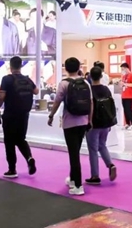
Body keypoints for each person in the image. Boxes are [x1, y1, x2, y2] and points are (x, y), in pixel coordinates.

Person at [47, 57, 93, 196]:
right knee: (75, 151)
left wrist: (51, 115)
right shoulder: (86, 82)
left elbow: (57, 102)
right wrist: (90, 120)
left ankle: (78, 185)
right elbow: (91, 103)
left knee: (73, 155)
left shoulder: (64, 83)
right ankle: (73, 179)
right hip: (83, 121)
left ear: (66, 69)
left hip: (69, 123)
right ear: (79, 68)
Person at [0, 56, 39, 178]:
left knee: (9, 141)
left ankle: (12, 169)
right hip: (24, 114)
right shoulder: (27, 79)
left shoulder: (6, 79)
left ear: (10, 66)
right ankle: (29, 158)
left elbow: (2, 96)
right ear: (21, 66)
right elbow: (36, 91)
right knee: (20, 139)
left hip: (10, 114)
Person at [85, 66, 117, 185]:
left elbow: (89, 107)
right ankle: (110, 164)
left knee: (93, 149)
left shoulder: (89, 90)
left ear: (90, 76)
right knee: (102, 145)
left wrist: (88, 121)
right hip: (106, 122)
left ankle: (95, 176)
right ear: (101, 76)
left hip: (94, 123)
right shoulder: (106, 89)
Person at [119, 62, 132, 130]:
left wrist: (125, 84)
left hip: (129, 95)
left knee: (129, 110)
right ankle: (127, 123)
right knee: (125, 110)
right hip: (123, 95)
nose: (122, 71)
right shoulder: (123, 76)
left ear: (126, 68)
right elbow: (122, 85)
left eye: (123, 69)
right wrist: (121, 84)